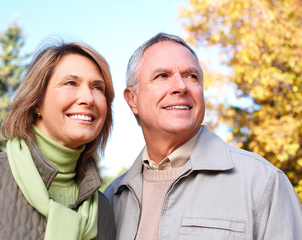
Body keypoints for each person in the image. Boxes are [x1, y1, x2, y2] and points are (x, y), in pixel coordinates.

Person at [104, 32, 302, 240]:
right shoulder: (111, 199)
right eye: (162, 76)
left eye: (191, 76)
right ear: (132, 99)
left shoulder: (264, 182)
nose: (181, 86)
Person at [0, 41, 115, 240]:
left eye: (98, 88)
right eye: (70, 83)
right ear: (36, 100)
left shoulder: (104, 211)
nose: (88, 98)